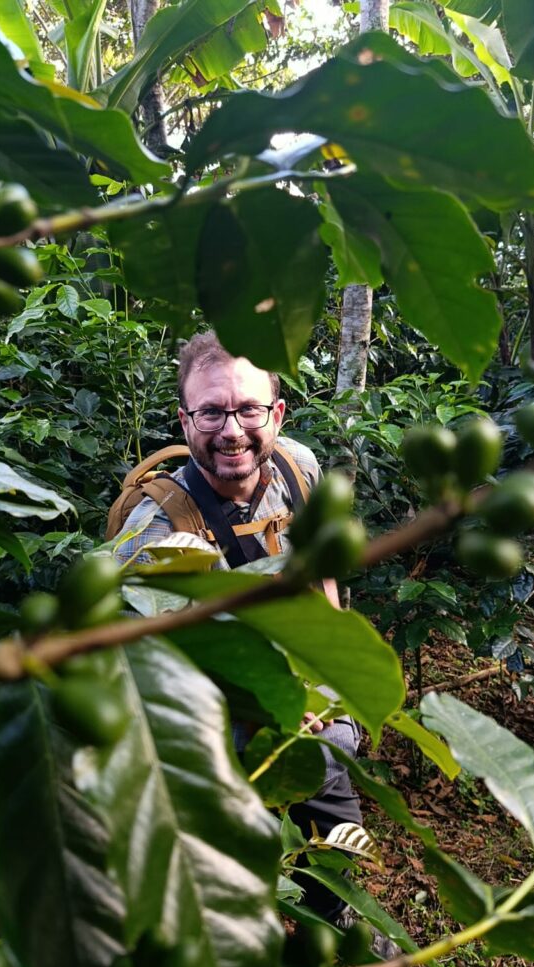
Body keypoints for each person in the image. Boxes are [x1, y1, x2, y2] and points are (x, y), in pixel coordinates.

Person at [114, 330, 362, 921]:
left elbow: (321, 567)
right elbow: (159, 672)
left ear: (277, 413)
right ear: (185, 420)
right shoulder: (155, 530)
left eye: (249, 408)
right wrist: (271, 705)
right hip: (218, 728)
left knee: (334, 832)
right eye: (211, 412)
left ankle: (338, 917)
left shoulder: (298, 469)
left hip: (305, 699)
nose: (232, 430)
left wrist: (330, 680)